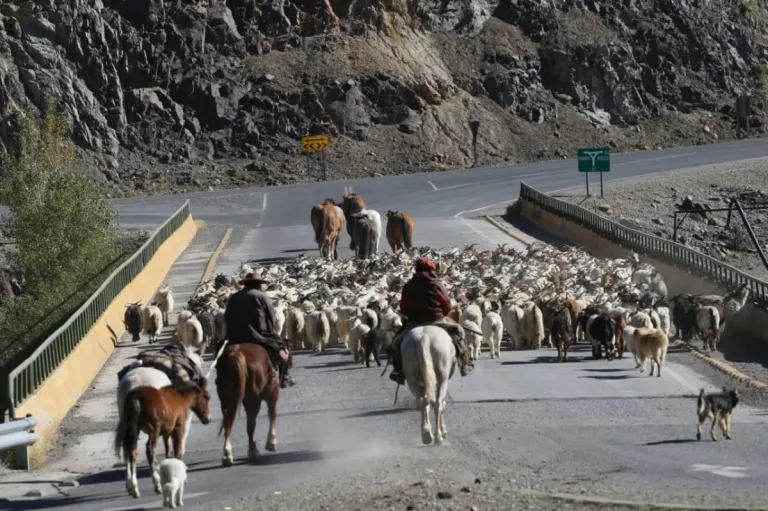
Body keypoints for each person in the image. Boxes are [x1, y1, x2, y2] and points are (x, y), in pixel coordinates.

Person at [388, 257, 472, 385]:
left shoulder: (409, 286)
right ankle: (465, 363)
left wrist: (409, 314)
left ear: (416, 269)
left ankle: (398, 370)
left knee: (395, 343)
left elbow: (404, 307)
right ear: (431, 269)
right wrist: (442, 315)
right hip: (436, 320)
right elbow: (447, 304)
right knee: (459, 333)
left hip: (414, 322)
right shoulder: (436, 284)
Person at [224, 271, 296, 388]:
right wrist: (270, 330)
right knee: (282, 348)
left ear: (246, 284)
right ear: (258, 285)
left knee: (220, 350)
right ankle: (285, 377)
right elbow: (272, 316)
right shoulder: (261, 296)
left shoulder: (234, 297)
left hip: (235, 336)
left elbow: (227, 316)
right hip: (259, 336)